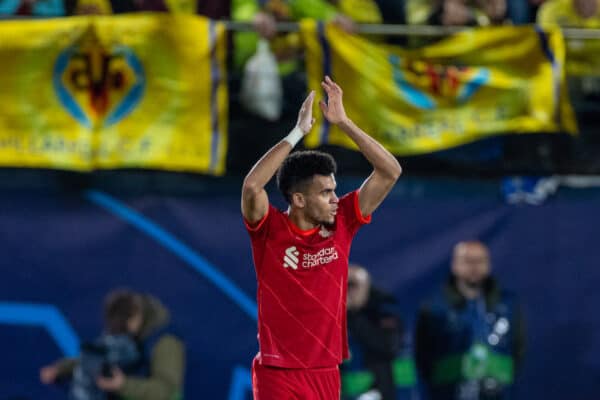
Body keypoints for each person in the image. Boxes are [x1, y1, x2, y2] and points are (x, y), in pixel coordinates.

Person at [241, 75, 402, 399]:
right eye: (325, 191)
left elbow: (390, 171)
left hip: (326, 370)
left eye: (334, 190)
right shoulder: (269, 230)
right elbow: (252, 187)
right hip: (277, 371)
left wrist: (344, 123)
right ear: (298, 199)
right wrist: (297, 132)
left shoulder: (341, 221)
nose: (334, 198)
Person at [415, 241, 526, 400]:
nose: (474, 267)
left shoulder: (508, 304)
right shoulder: (433, 308)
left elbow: (518, 349)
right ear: (455, 265)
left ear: (488, 265)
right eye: (468, 261)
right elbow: (423, 356)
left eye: (480, 261)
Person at [40, 289, 185, 400]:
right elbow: (98, 356)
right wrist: (60, 369)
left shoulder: (166, 344)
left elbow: (166, 392)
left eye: (124, 324)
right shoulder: (127, 336)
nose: (120, 330)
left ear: (136, 316)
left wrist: (123, 385)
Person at [344, 264, 403, 400]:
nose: (349, 291)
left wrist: (354, 315)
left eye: (353, 285)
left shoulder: (384, 308)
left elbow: (387, 346)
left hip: (379, 391)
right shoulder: (333, 312)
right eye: (345, 285)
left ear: (366, 284)